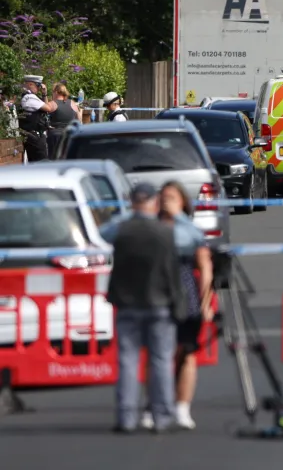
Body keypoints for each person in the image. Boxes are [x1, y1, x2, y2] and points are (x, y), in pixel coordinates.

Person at [101, 182, 184, 433]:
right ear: (154, 202)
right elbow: (174, 269)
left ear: (132, 202)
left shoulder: (122, 230)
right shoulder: (166, 232)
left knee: (127, 361)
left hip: (127, 304)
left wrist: (128, 215)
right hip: (159, 303)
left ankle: (126, 416)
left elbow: (101, 234)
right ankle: (162, 416)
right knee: (160, 360)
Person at [135, 182, 213, 431]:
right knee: (157, 354)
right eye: (163, 197)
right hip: (155, 296)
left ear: (183, 202)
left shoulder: (189, 229)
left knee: (187, 353)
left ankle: (182, 407)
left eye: (172, 197)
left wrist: (206, 301)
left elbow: (205, 265)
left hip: (185, 296)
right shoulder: (152, 227)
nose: (166, 201)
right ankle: (152, 406)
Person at [19, 75, 57, 162]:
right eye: (38, 86)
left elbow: (46, 109)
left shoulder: (31, 97)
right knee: (42, 163)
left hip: (34, 135)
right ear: (30, 84)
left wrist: (44, 94)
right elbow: (48, 108)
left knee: (35, 164)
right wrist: (44, 94)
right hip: (34, 136)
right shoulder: (29, 98)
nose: (39, 88)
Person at [46, 82, 79, 158]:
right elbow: (79, 119)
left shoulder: (52, 104)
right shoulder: (73, 103)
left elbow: (44, 110)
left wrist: (44, 95)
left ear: (56, 92)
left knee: (54, 159)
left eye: (53, 92)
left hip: (55, 135)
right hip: (70, 134)